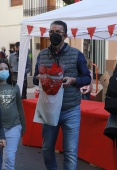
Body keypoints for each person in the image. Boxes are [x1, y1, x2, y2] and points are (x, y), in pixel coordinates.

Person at [33, 20, 91, 170]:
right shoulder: (42, 55)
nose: (54, 35)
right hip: (49, 109)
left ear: (65, 35)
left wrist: (73, 80)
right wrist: (39, 78)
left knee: (70, 151)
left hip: (70, 109)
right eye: (51, 32)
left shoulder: (77, 55)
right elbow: (34, 77)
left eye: (58, 32)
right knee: (46, 148)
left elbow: (87, 78)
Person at [0, 59, 26, 170]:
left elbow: (20, 107)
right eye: (0, 69)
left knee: (9, 159)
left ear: (10, 70)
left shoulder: (15, 86)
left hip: (13, 127)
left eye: (6, 68)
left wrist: (23, 126)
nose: (3, 71)